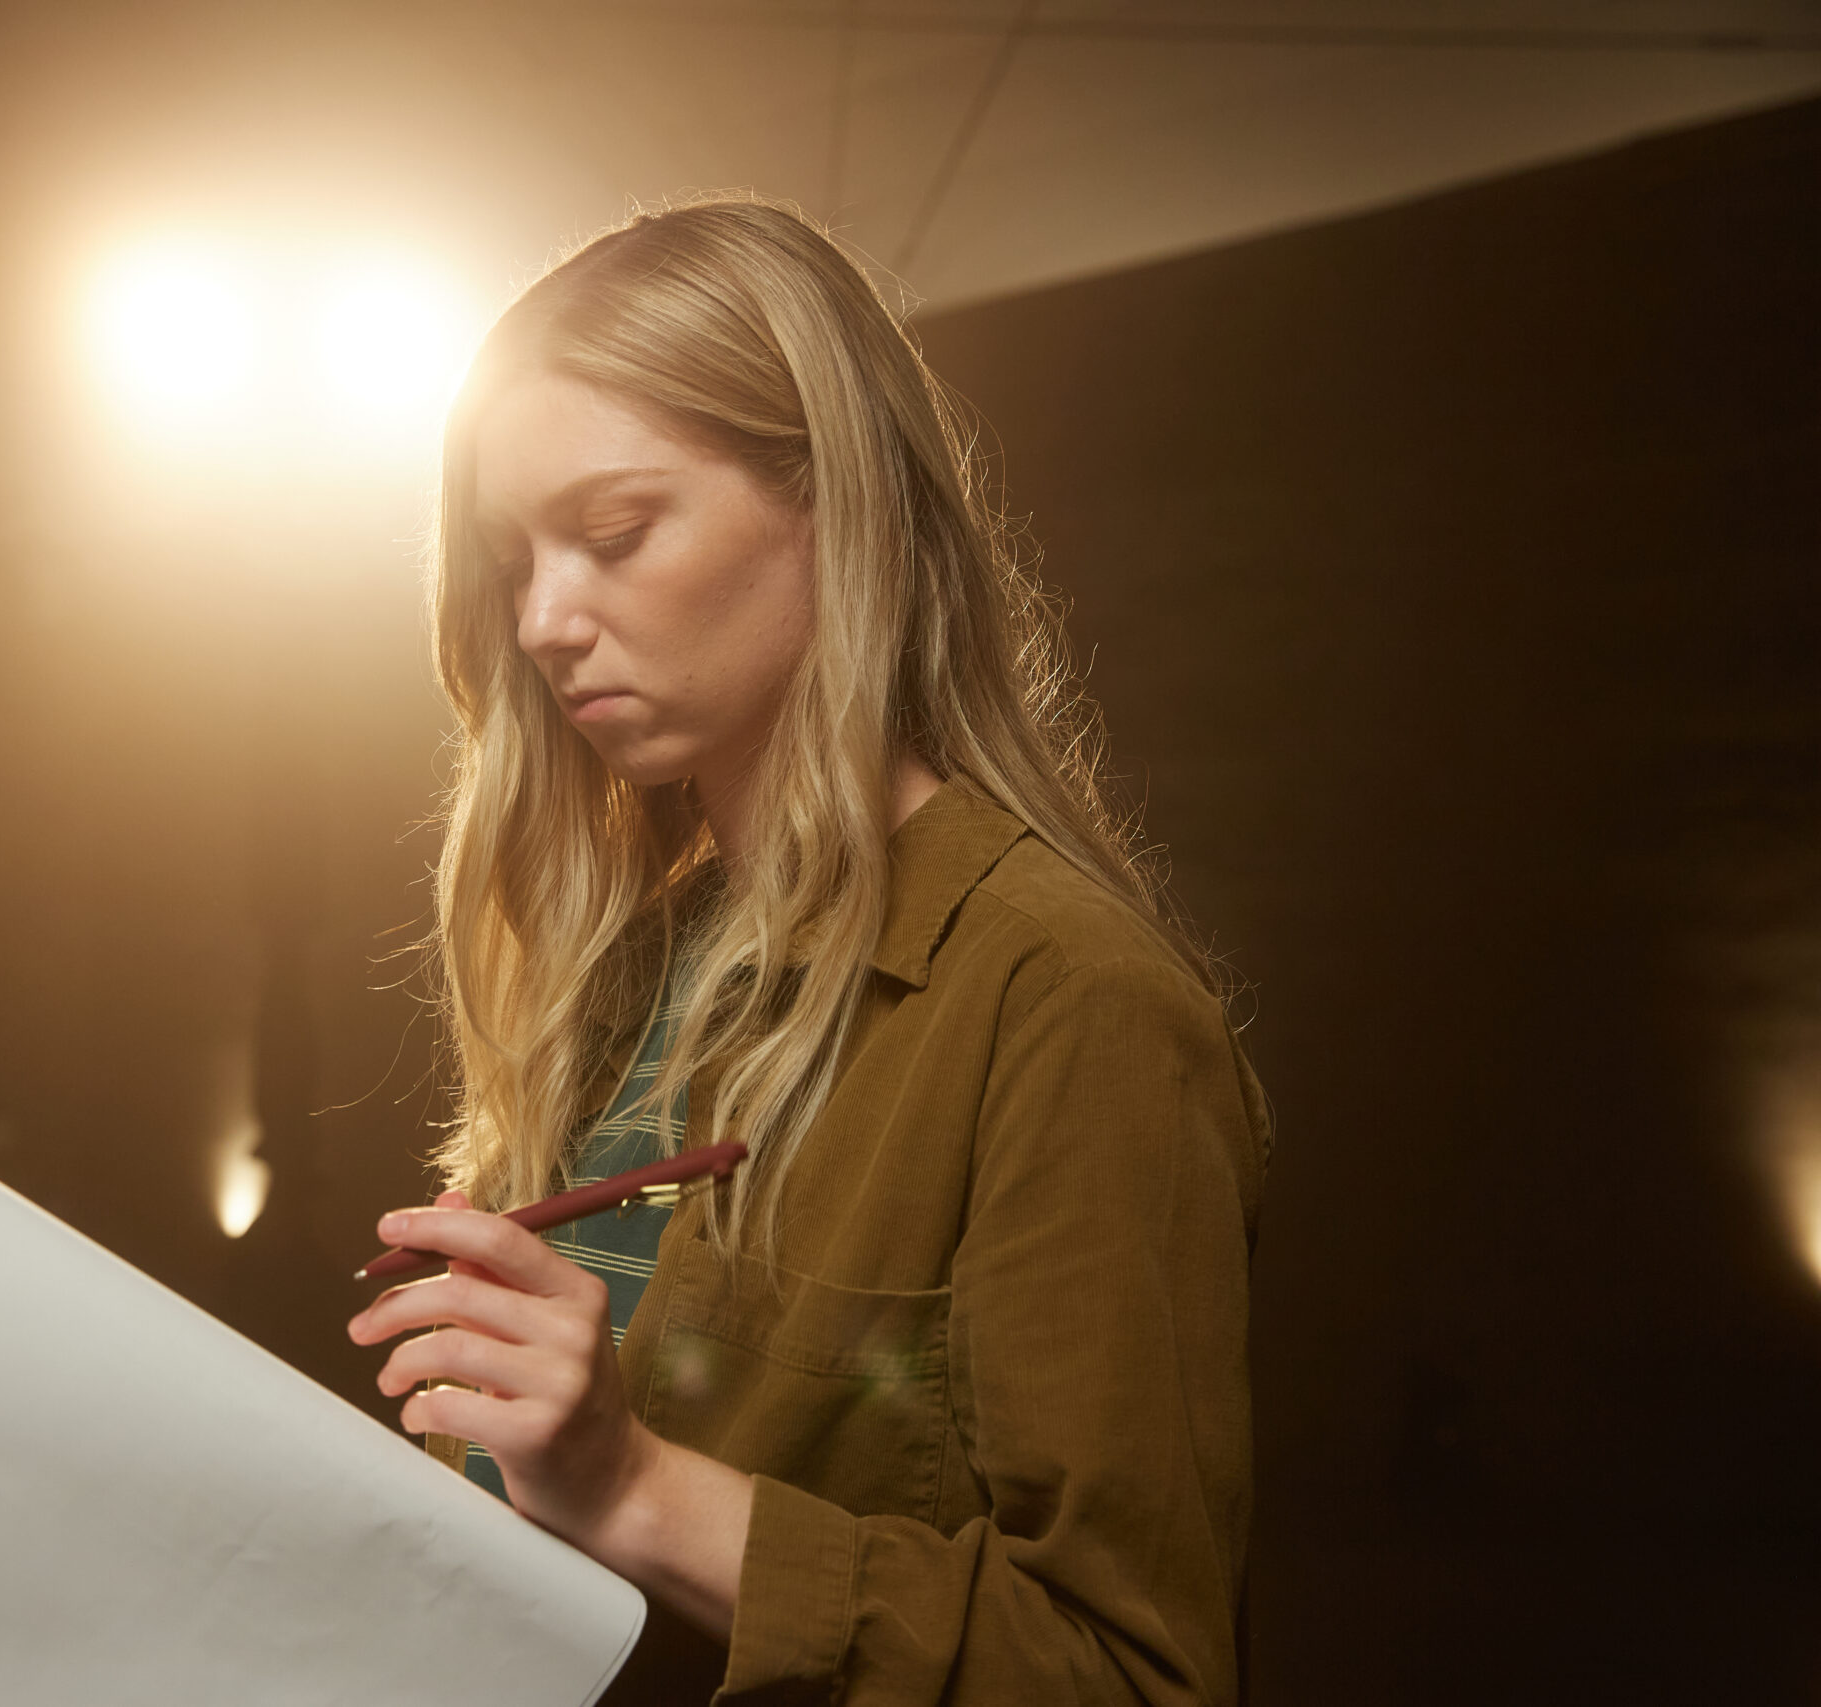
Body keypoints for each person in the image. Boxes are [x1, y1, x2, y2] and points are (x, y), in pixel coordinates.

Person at [345, 195, 1270, 1706]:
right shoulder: (614, 983)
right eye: (514, 561)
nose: (545, 619)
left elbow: (1129, 1676)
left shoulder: (1074, 1007)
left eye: (616, 532)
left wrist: (636, 1485)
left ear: (837, 504)